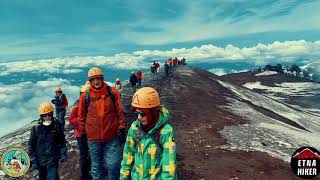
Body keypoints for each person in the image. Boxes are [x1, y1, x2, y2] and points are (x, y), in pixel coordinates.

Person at [78, 67, 126, 180]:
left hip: (112, 135)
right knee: (96, 166)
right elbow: (82, 115)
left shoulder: (112, 92)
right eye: (93, 79)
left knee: (114, 165)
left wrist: (122, 127)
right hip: (93, 138)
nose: (96, 81)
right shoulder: (85, 96)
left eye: (98, 78)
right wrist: (83, 132)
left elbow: (119, 111)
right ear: (90, 81)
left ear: (102, 78)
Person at [120, 87, 178, 180]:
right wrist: (124, 177)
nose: (139, 117)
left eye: (142, 113)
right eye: (137, 113)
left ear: (153, 111)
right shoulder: (135, 128)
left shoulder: (165, 131)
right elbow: (128, 155)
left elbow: (169, 165)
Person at [28, 102, 67, 180]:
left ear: (52, 114)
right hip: (40, 160)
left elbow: (62, 142)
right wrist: (33, 161)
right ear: (41, 116)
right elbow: (31, 146)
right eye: (45, 115)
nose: (47, 117)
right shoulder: (36, 129)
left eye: (49, 114)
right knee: (42, 177)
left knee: (54, 178)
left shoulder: (56, 126)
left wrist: (63, 154)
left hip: (53, 159)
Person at [69, 82, 92, 180]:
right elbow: (71, 119)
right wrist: (82, 121)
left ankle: (90, 170)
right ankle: (84, 175)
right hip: (81, 134)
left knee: (91, 154)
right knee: (83, 155)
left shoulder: (92, 105)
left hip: (91, 133)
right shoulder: (77, 106)